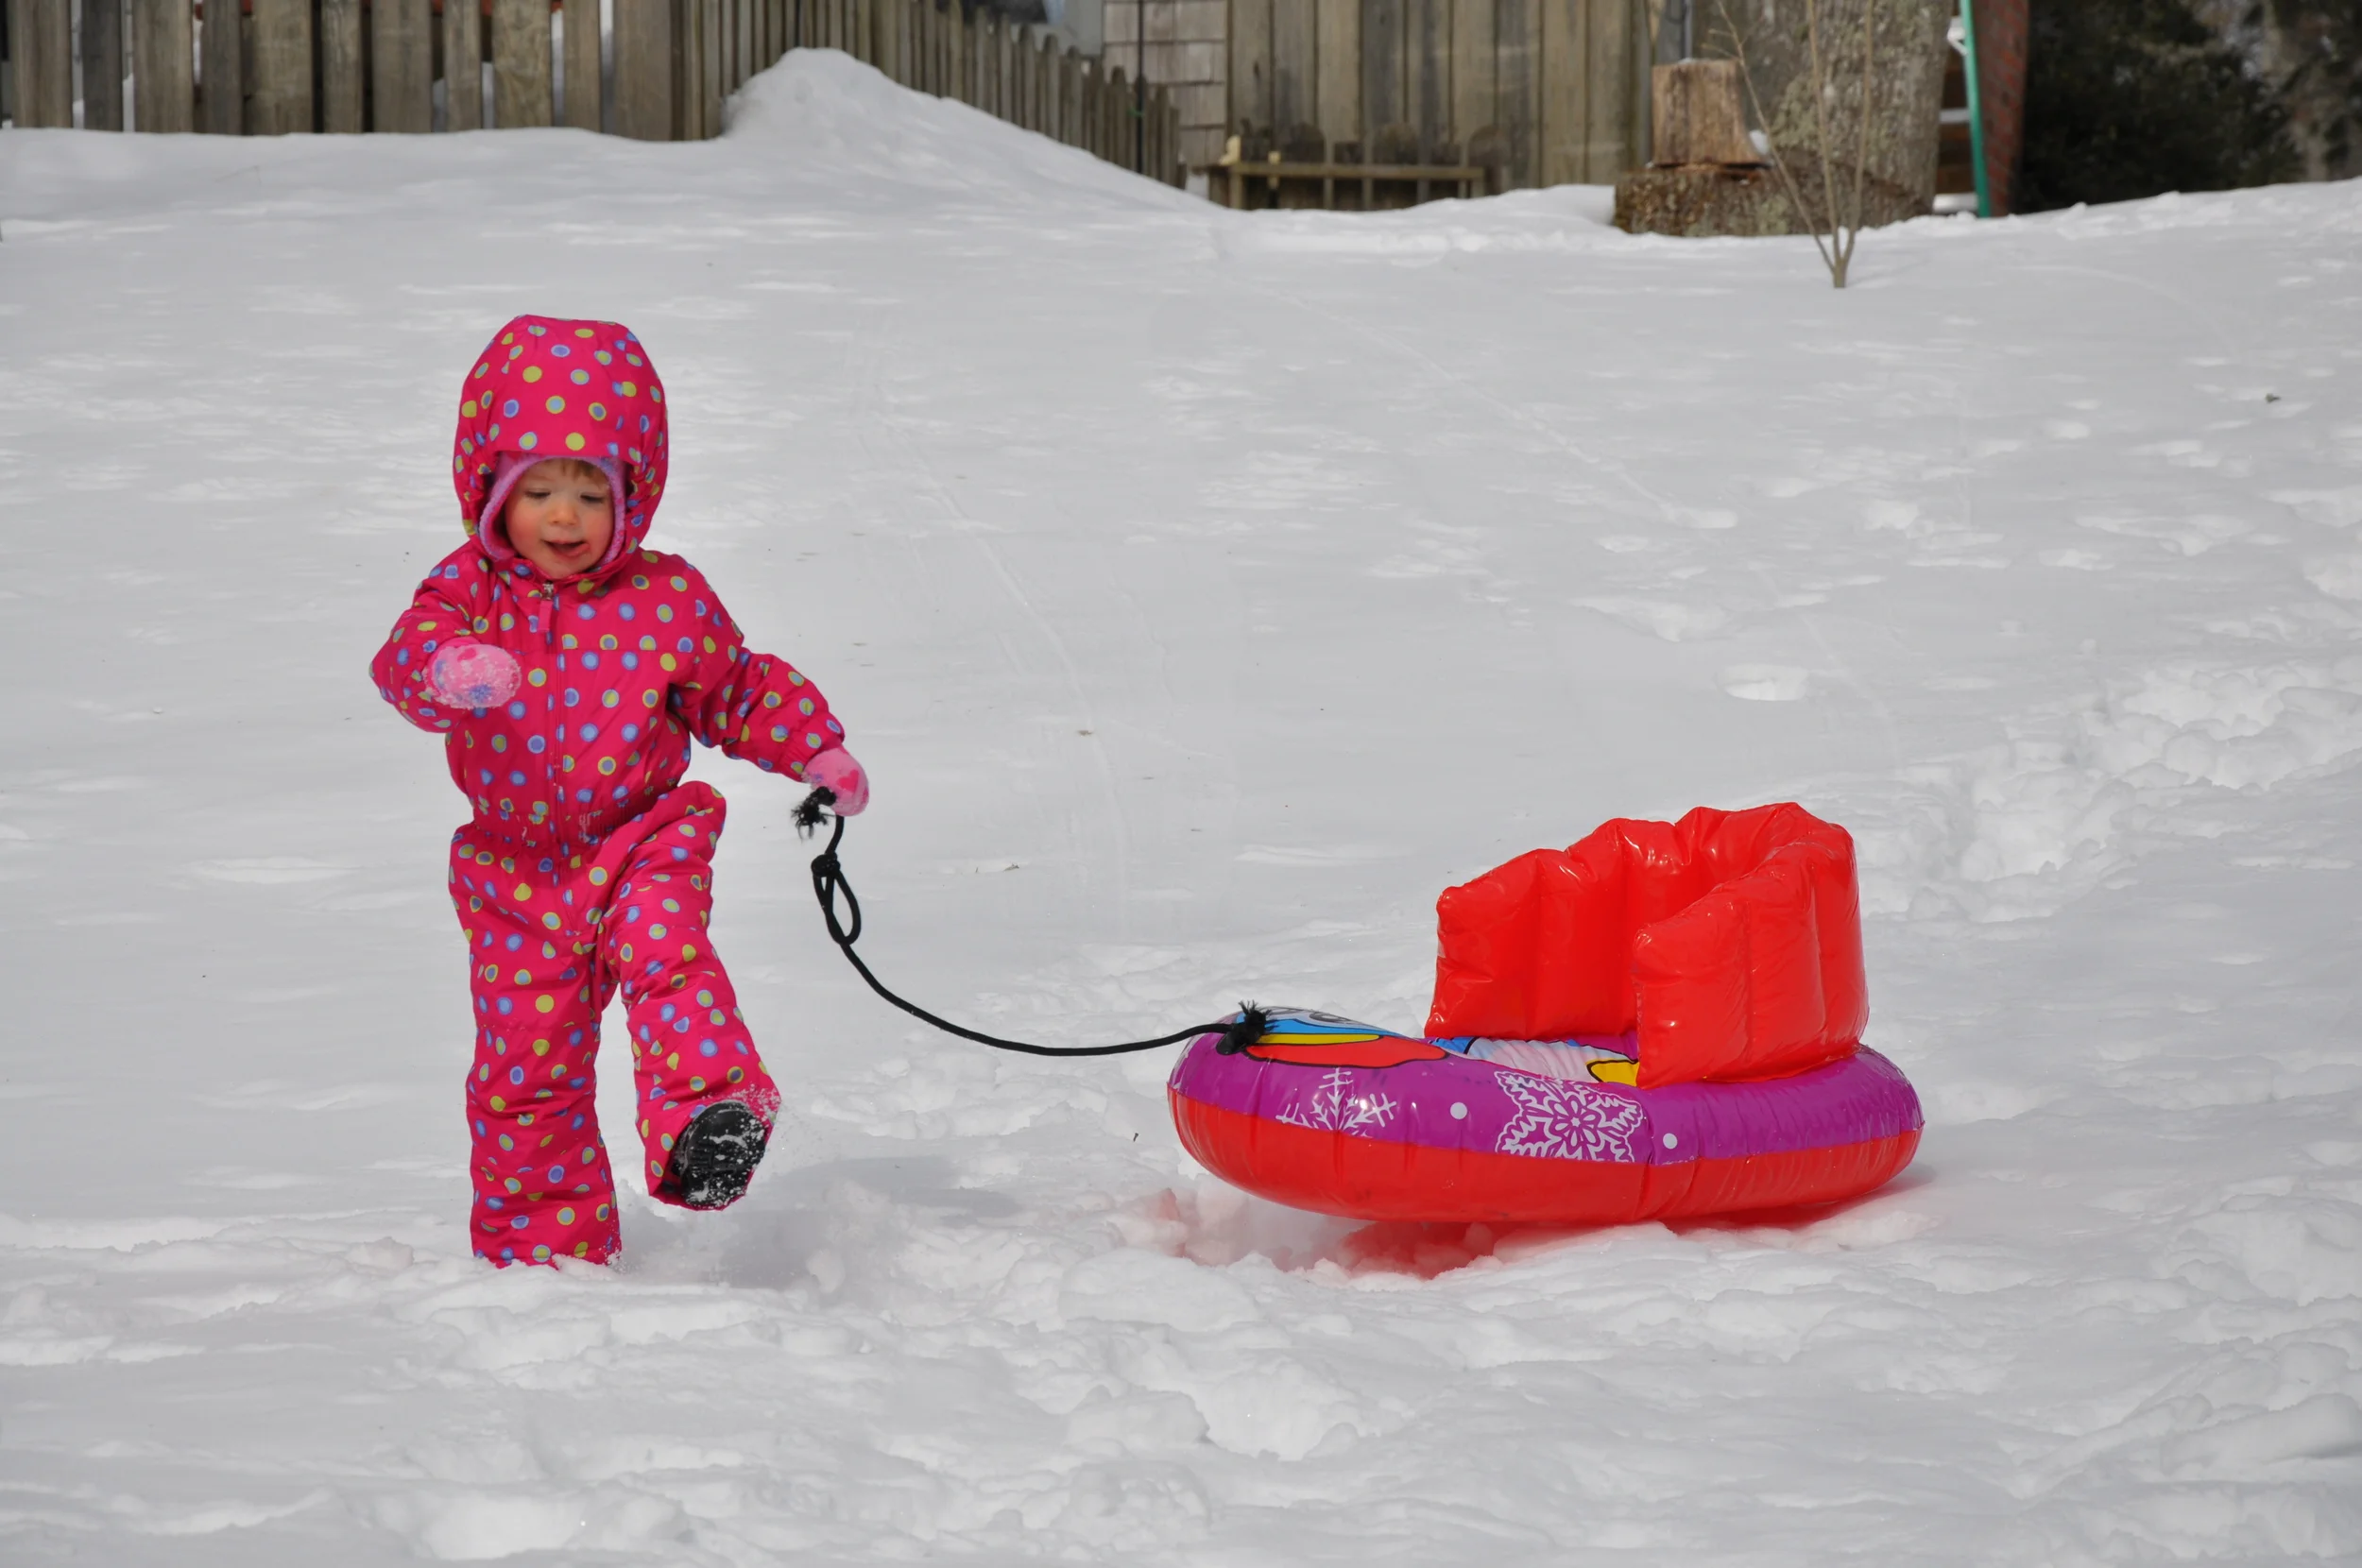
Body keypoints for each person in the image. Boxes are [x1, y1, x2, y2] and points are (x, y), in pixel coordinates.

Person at [370, 315, 867, 1267]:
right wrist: (449, 668)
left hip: (642, 837)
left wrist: (817, 751)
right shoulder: (468, 590)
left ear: (631, 494)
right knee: (526, 1075)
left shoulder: (664, 598)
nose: (564, 517)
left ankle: (707, 1116)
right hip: (512, 874)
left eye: (591, 492)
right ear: (489, 488)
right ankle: (545, 1257)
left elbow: (739, 689)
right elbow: (403, 656)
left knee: (662, 949)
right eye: (538, 490)